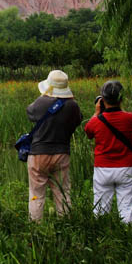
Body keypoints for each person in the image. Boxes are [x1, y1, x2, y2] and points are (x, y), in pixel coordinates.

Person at [25, 70, 82, 221]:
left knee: (36, 194)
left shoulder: (41, 102)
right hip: (62, 153)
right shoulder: (73, 105)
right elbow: (78, 120)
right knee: (62, 192)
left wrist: (44, 95)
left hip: (38, 153)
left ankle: (35, 227)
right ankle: (66, 224)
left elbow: (30, 112)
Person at [84, 80, 132, 223]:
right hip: (128, 167)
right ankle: (128, 232)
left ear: (102, 99)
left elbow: (88, 132)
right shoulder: (131, 118)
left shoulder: (96, 121)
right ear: (121, 98)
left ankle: (102, 234)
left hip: (103, 168)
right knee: (127, 207)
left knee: (101, 208)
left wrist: (97, 113)